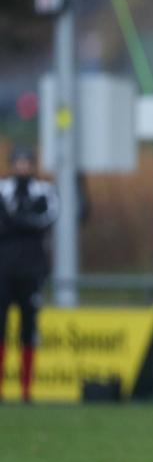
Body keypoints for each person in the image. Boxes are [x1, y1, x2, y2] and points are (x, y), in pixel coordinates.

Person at [0, 146, 59, 402]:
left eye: (26, 162)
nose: (22, 167)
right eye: (18, 162)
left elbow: (47, 221)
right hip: (3, 269)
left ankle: (26, 390)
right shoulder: (3, 190)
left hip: (32, 269)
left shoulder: (44, 191)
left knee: (29, 329)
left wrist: (15, 222)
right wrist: (23, 222)